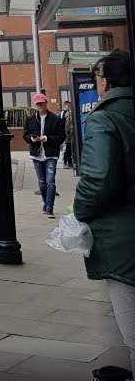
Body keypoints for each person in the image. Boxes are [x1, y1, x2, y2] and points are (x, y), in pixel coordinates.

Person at [73, 50, 135, 380]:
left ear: (106, 81)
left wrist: (79, 212)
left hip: (124, 241)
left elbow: (98, 178)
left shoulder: (104, 116)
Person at [24, 92, 65, 216]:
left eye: (42, 103)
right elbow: (25, 135)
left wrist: (46, 138)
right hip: (36, 154)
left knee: (50, 181)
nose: (40, 105)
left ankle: (49, 208)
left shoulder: (56, 119)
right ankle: (45, 202)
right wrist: (32, 138)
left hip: (50, 154)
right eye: (38, 104)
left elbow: (61, 137)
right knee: (42, 182)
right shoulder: (30, 119)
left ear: (46, 103)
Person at [61, 100, 75, 169]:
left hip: (68, 134)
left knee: (69, 149)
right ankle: (66, 162)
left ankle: (69, 162)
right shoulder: (65, 114)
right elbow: (67, 125)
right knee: (67, 148)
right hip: (66, 135)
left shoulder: (67, 113)